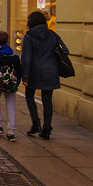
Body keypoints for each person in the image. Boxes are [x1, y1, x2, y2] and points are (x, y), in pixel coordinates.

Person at [21, 10, 69, 140]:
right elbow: (65, 50)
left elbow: (26, 58)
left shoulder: (29, 36)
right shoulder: (52, 35)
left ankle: (36, 123)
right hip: (51, 71)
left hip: (34, 71)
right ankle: (47, 129)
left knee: (29, 95)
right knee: (47, 100)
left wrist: (25, 75)